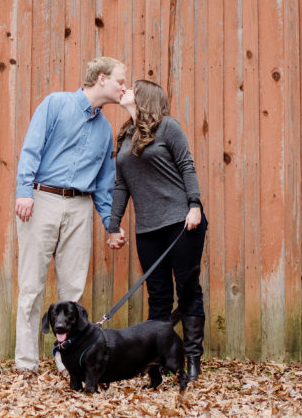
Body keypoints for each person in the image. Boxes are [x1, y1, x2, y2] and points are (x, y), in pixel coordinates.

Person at [14, 56, 128, 372]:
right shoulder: (56, 104)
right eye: (120, 80)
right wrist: (24, 192)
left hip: (80, 206)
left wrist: (111, 224)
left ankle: (67, 362)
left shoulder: (105, 129)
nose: (124, 87)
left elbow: (106, 183)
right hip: (42, 198)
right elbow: (31, 149)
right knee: (31, 287)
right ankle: (25, 364)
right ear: (102, 79)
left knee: (73, 291)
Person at [104, 79, 207, 381]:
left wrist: (195, 205)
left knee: (188, 291)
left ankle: (192, 361)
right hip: (148, 229)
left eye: (131, 88)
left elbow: (187, 166)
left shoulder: (168, 127)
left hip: (182, 222)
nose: (125, 90)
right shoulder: (125, 136)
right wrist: (113, 225)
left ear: (145, 98)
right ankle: (157, 363)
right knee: (158, 296)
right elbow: (121, 185)